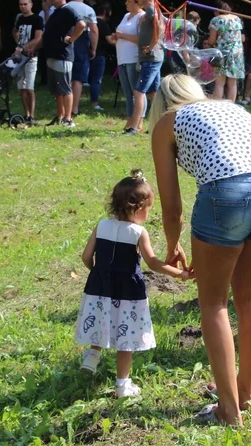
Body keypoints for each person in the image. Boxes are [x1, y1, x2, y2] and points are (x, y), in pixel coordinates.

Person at [150, 74, 251, 426]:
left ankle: (228, 412)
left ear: (162, 102)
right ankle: (243, 393)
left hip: (227, 193)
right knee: (249, 296)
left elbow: (171, 206)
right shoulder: (229, 106)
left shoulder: (168, 122)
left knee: (213, 303)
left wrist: (172, 245)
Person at [75, 170, 191, 397]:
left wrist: (97, 274)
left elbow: (86, 257)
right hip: (128, 291)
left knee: (101, 317)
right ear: (138, 208)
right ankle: (122, 385)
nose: (149, 214)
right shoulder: (138, 232)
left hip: (100, 285)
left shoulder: (102, 226)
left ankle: (92, 355)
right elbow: (153, 263)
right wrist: (179, 274)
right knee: (125, 337)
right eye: (149, 209)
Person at [22, 0, 86, 128]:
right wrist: (34, 47)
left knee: (65, 88)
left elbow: (81, 25)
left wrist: (71, 39)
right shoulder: (54, 13)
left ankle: (68, 119)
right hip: (51, 55)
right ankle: (60, 116)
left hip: (63, 56)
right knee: (57, 90)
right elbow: (46, 36)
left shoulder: (68, 10)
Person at [127, 0, 163, 135]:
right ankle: (158, 126)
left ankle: (134, 127)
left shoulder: (151, 9)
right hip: (152, 57)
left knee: (138, 91)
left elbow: (159, 28)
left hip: (151, 57)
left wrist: (150, 47)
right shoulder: (151, 10)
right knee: (154, 93)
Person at [107, 0, 143, 132]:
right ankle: (129, 121)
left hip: (133, 58)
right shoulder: (126, 15)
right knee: (127, 92)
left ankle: (139, 122)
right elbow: (121, 34)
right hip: (122, 58)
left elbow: (141, 39)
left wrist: (122, 35)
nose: (126, 3)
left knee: (137, 92)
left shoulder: (142, 17)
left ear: (137, 2)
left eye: (129, 1)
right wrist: (116, 37)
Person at [65, 0, 98, 116]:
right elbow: (94, 30)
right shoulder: (88, 9)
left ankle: (63, 108)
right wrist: (93, 49)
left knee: (65, 75)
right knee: (78, 78)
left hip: (65, 40)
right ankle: (74, 108)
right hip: (81, 41)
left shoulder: (64, 7)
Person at [12, 0, 44, 125]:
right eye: (21, 4)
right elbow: (15, 31)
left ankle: (32, 116)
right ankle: (26, 115)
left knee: (30, 87)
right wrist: (17, 43)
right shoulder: (19, 18)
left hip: (31, 56)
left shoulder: (37, 19)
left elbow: (38, 38)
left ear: (31, 4)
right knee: (21, 88)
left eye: (25, 4)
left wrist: (23, 47)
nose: (23, 7)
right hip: (19, 57)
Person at [207, 1, 245, 101]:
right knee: (232, 83)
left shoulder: (216, 20)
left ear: (217, 11)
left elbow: (211, 40)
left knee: (219, 82)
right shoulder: (237, 19)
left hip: (222, 53)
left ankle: (218, 106)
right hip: (237, 54)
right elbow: (240, 37)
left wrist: (208, 41)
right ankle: (231, 106)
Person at [88, 3, 113, 112]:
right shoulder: (103, 23)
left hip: (87, 53)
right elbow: (110, 40)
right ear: (106, 12)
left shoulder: (90, 22)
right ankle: (94, 103)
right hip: (99, 54)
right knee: (96, 80)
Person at [38, 0, 55, 85]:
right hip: (43, 39)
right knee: (43, 60)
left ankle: (51, 80)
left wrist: (46, 12)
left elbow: (49, 25)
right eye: (42, 1)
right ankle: (44, 80)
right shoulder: (41, 12)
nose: (43, 3)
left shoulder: (54, 10)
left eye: (45, 0)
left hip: (52, 40)